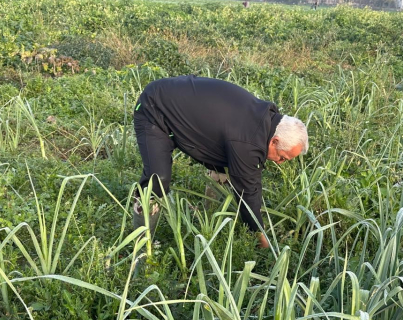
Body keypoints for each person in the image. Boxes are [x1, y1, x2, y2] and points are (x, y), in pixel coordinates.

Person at [132, 75, 308, 249]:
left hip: (180, 105)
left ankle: (209, 219)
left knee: (227, 166)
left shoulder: (266, 118)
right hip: (153, 108)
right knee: (157, 178)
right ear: (274, 141)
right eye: (282, 157)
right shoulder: (247, 141)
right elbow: (247, 193)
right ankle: (141, 243)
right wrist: (261, 239)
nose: (280, 163)